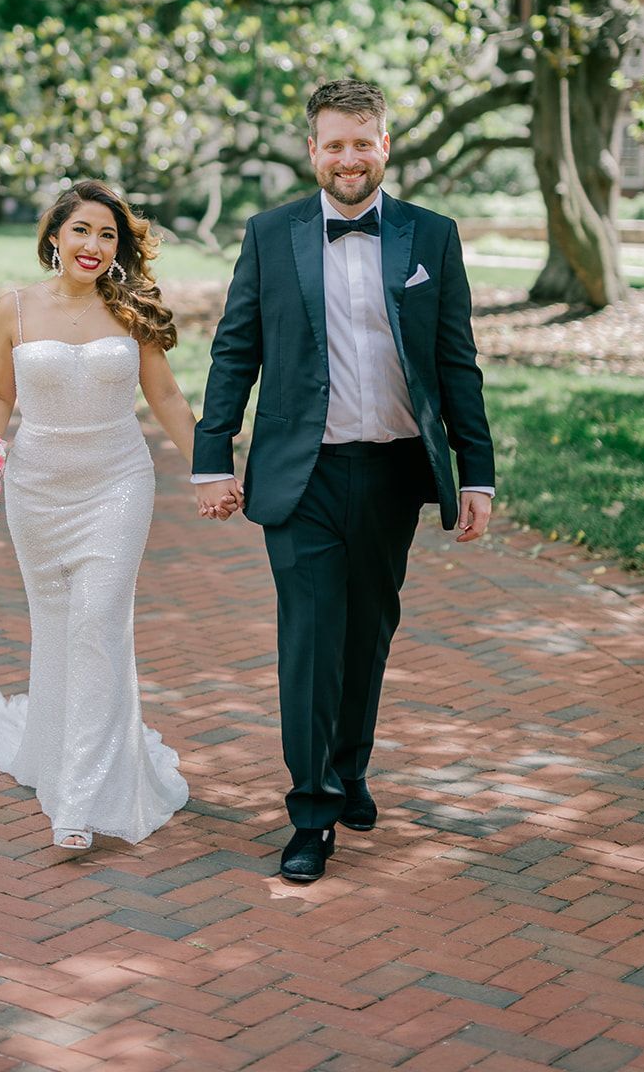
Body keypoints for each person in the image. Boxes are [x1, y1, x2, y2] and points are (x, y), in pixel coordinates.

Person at [193, 79, 495, 883]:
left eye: (363, 142)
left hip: (396, 468)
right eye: (334, 144)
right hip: (304, 474)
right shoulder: (270, 234)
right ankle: (312, 810)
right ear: (312, 151)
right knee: (311, 637)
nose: (349, 157)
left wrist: (477, 476)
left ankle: (351, 764)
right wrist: (211, 454)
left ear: (384, 146)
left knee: (368, 632)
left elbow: (455, 362)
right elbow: (234, 351)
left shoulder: (431, 236)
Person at [0, 180, 195, 850]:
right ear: (53, 235)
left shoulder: (132, 309)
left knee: (98, 622)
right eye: (81, 230)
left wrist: (209, 469)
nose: (93, 245)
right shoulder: (13, 310)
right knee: (56, 628)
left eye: (107, 234)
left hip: (117, 483)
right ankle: (55, 757)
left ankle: (78, 800)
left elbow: (163, 394)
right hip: (37, 489)